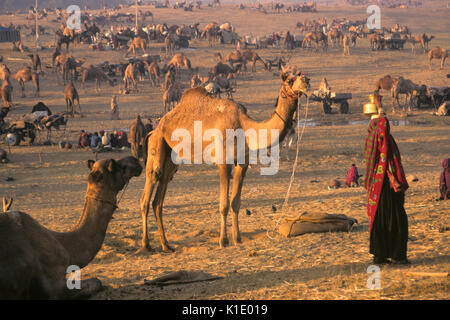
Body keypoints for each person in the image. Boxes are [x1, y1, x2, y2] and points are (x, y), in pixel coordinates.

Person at [363, 93, 410, 265]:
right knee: (396, 219)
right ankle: (396, 255)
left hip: (380, 184)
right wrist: (380, 106)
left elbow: (381, 126)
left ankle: (381, 255)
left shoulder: (373, 138)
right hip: (385, 184)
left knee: (380, 218)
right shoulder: (379, 136)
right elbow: (382, 125)